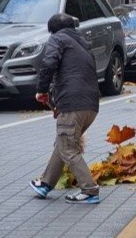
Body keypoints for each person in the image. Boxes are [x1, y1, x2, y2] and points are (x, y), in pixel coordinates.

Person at [29, 13, 101, 204]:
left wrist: (41, 90)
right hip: (91, 106)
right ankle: (45, 184)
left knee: (68, 148)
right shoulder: (83, 42)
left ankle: (90, 190)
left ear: (52, 30)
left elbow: (49, 62)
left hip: (72, 104)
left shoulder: (57, 38)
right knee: (62, 143)